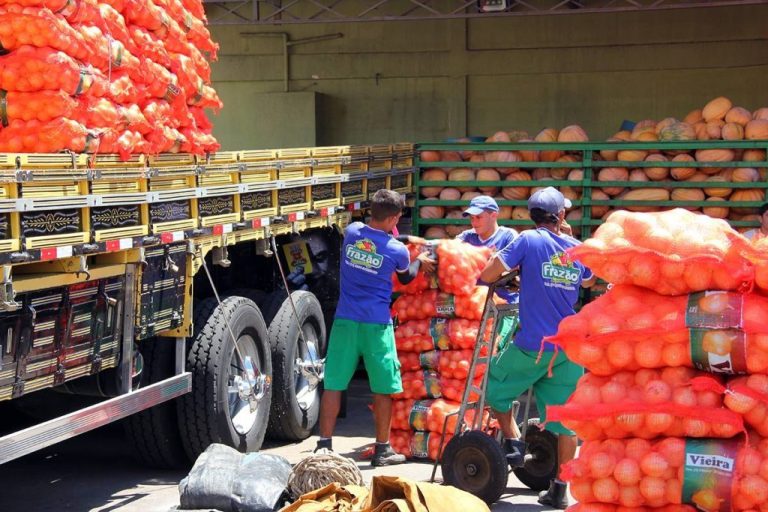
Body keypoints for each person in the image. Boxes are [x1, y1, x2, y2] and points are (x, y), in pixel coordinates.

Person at [479, 187, 595, 509]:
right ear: (560, 216)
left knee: (492, 385)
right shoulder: (576, 248)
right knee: (565, 421)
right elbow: (587, 282)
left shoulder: (527, 240)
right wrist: (570, 240)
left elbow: (488, 274)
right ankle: (560, 488)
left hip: (533, 346)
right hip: (568, 349)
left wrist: (515, 274)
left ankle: (514, 442)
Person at [316, 189, 435, 466]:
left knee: (333, 384)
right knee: (382, 388)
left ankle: (323, 446)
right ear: (395, 217)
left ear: (371, 210)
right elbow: (406, 279)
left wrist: (403, 239)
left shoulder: (353, 232)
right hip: (377, 326)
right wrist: (419, 260)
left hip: (345, 321)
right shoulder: (397, 251)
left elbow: (379, 237)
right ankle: (383, 450)